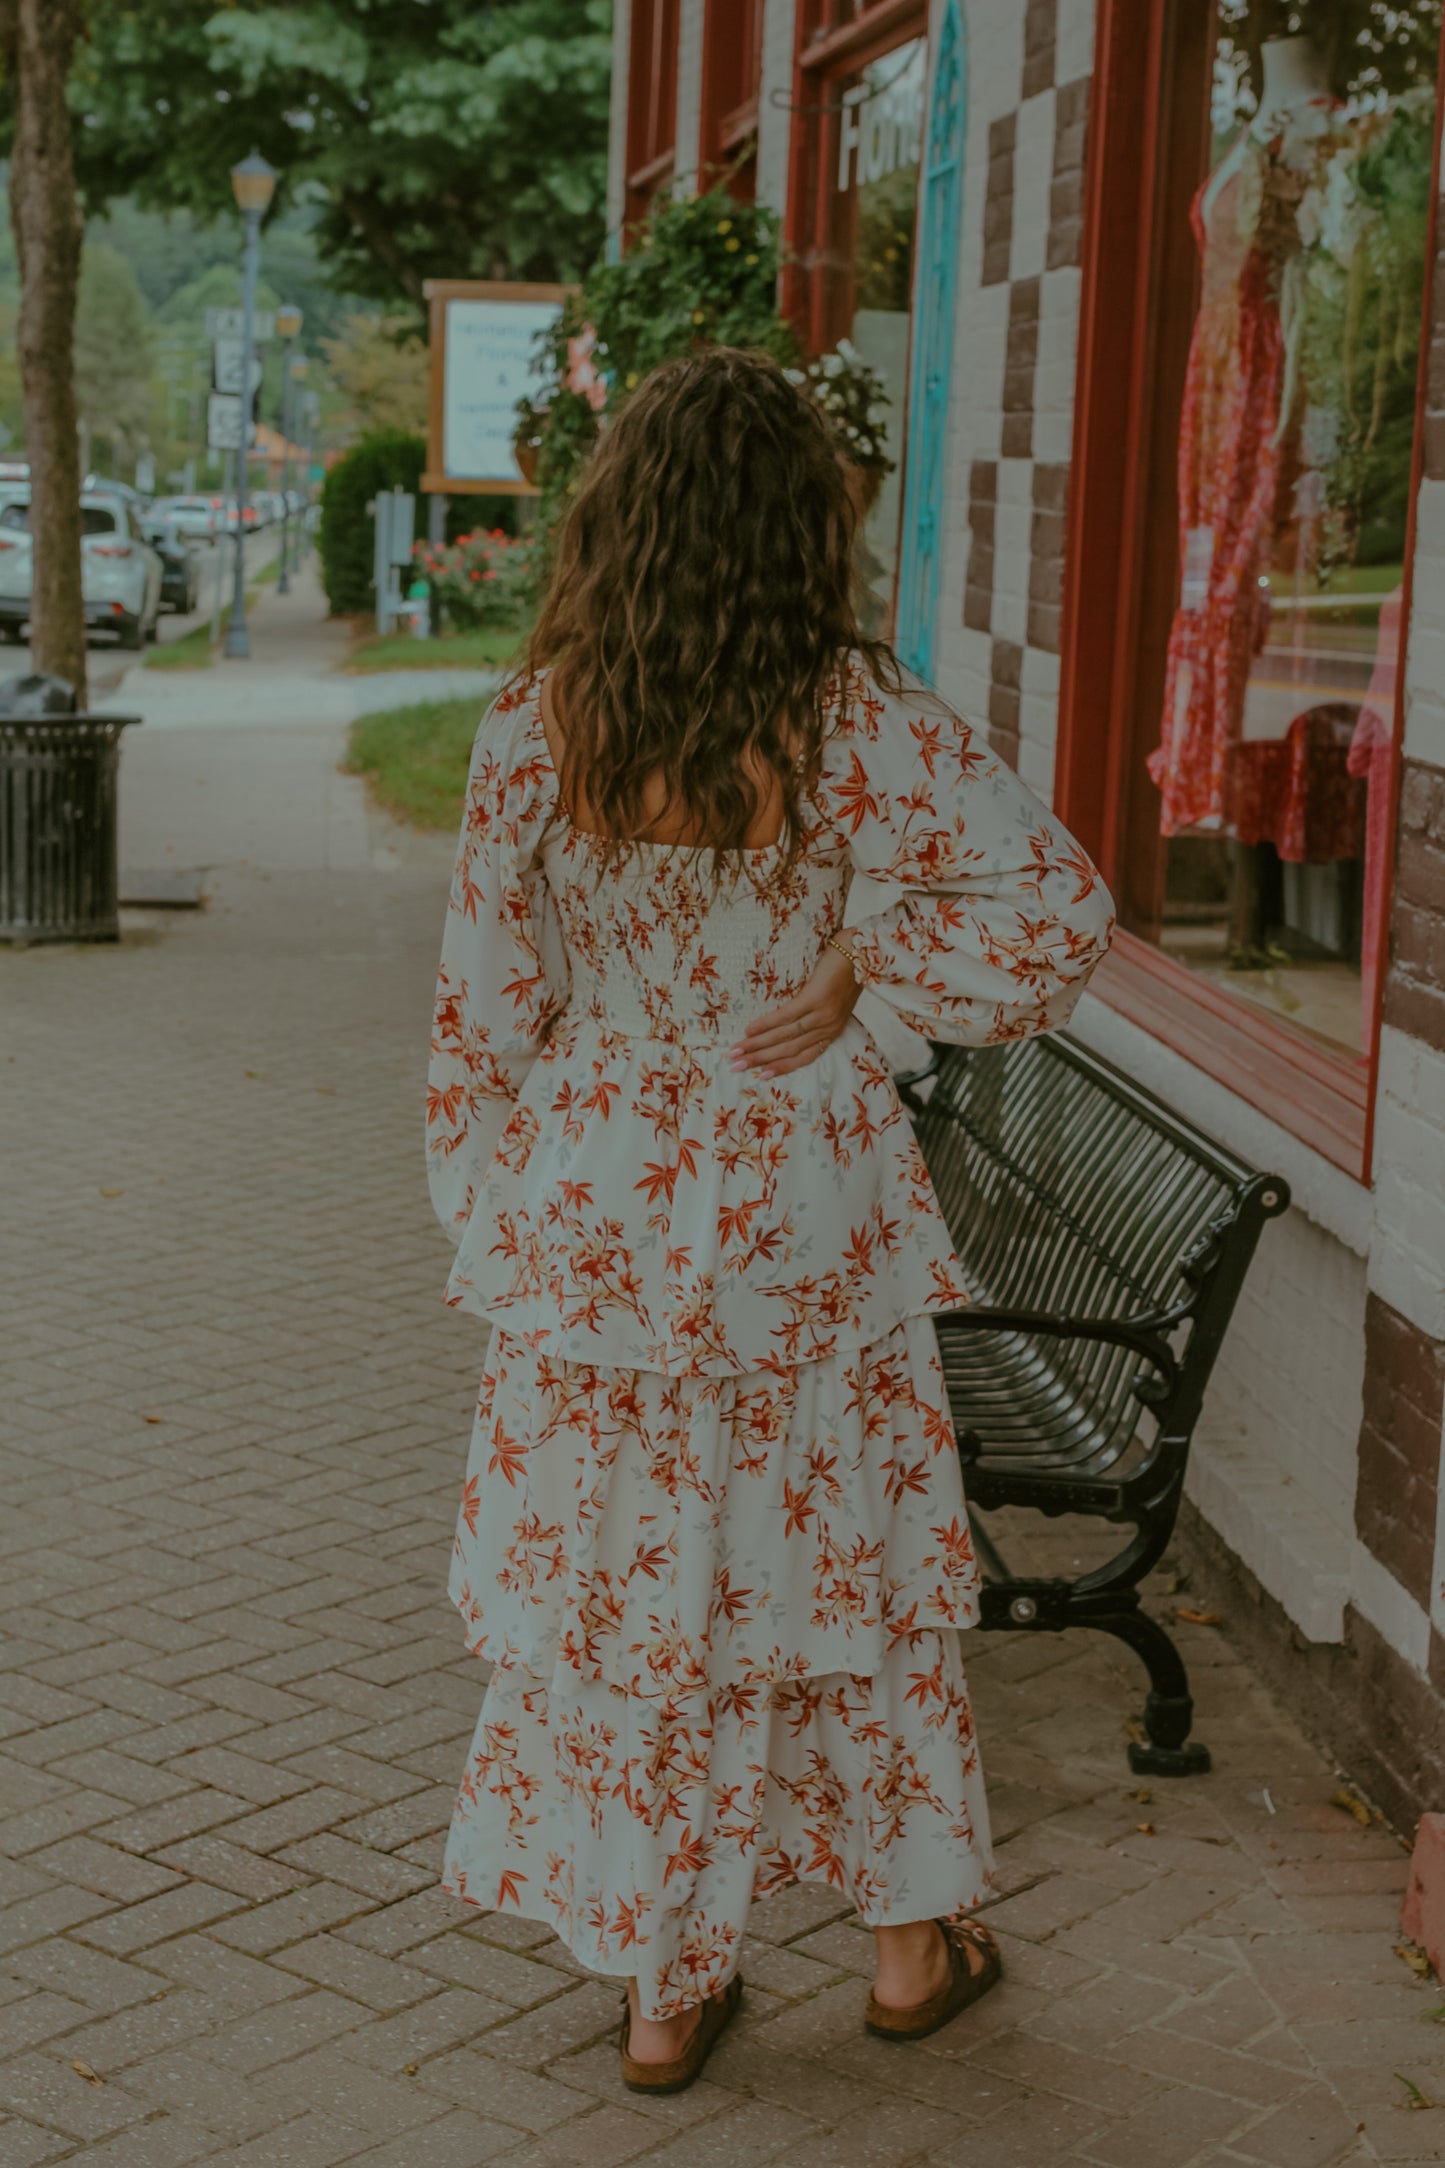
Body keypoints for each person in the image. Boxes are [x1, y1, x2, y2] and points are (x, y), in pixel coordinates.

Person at [426, 347, 1113, 2092]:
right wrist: (870, 959)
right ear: (801, 526)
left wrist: (500, 1211)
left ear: (618, 517)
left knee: (644, 1587)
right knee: (837, 1573)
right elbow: (1059, 921)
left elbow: (485, 1013)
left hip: (608, 1199)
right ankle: (902, 1951)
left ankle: (664, 1991)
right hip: (804, 1205)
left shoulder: (539, 725)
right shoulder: (855, 720)